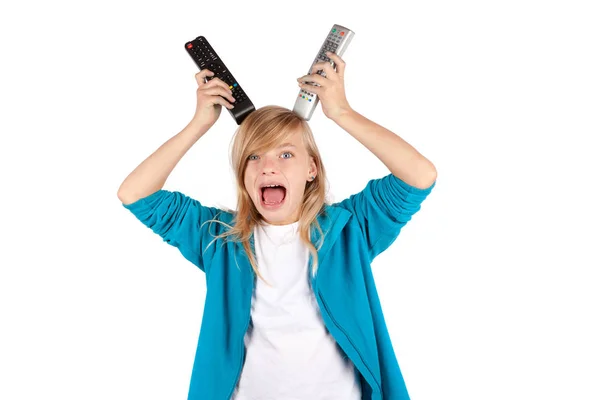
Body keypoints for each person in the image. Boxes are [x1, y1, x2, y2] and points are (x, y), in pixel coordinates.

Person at [118, 51, 437, 400]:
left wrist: (341, 112)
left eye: (285, 154)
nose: (267, 167)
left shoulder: (350, 228)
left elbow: (420, 176)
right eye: (254, 156)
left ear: (311, 169)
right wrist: (198, 125)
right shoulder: (218, 237)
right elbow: (135, 193)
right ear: (242, 173)